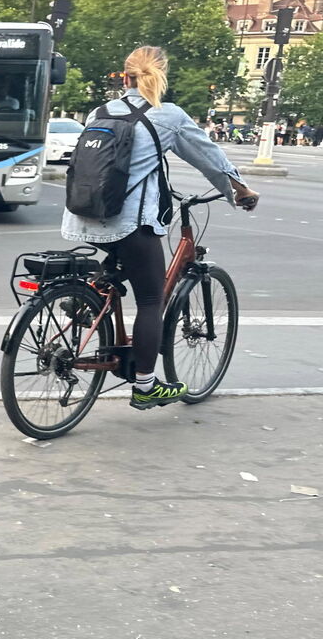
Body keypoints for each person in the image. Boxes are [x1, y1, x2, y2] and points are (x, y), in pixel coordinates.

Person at [62, 46, 258, 410]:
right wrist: (240, 190)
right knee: (151, 300)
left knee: (116, 265)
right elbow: (209, 159)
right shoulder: (168, 116)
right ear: (161, 78)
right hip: (130, 220)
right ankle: (146, 386)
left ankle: (86, 299)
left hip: (83, 215)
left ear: (124, 77)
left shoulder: (99, 111)